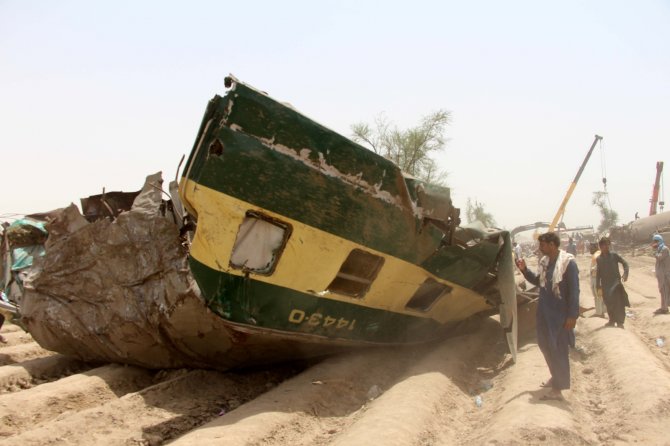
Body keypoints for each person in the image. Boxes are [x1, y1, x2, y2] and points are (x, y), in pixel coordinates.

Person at [516, 232, 579, 401]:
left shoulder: (568, 264)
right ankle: (555, 377)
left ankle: (558, 389)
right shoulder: (545, 263)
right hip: (544, 313)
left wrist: (572, 315)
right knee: (545, 345)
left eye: (542, 245)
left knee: (558, 349)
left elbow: (574, 291)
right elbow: (539, 282)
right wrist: (524, 270)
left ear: (552, 245)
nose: (540, 248)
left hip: (560, 315)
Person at [595, 237, 629, 328]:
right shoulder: (599, 259)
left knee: (619, 303)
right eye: (604, 245)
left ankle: (620, 322)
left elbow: (625, 263)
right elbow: (598, 273)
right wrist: (598, 285)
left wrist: (625, 274)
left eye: (607, 244)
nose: (606, 246)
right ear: (601, 246)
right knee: (608, 302)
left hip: (616, 283)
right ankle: (611, 320)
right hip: (605, 285)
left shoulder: (614, 255)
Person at [652, 234, 670, 315]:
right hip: (661, 275)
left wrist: (654, 251)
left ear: (660, 241)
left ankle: (665, 309)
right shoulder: (660, 249)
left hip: (665, 274)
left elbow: (659, 257)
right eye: (654, 241)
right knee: (662, 291)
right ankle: (663, 307)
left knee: (665, 291)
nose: (655, 243)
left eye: (656, 241)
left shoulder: (664, 249)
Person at [589, 242, 607, 318]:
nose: (589, 249)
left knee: (598, 295)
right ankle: (602, 311)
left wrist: (593, 269)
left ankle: (599, 313)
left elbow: (599, 265)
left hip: (596, 277)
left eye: (591, 248)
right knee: (599, 295)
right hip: (598, 277)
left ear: (595, 247)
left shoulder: (597, 255)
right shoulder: (598, 254)